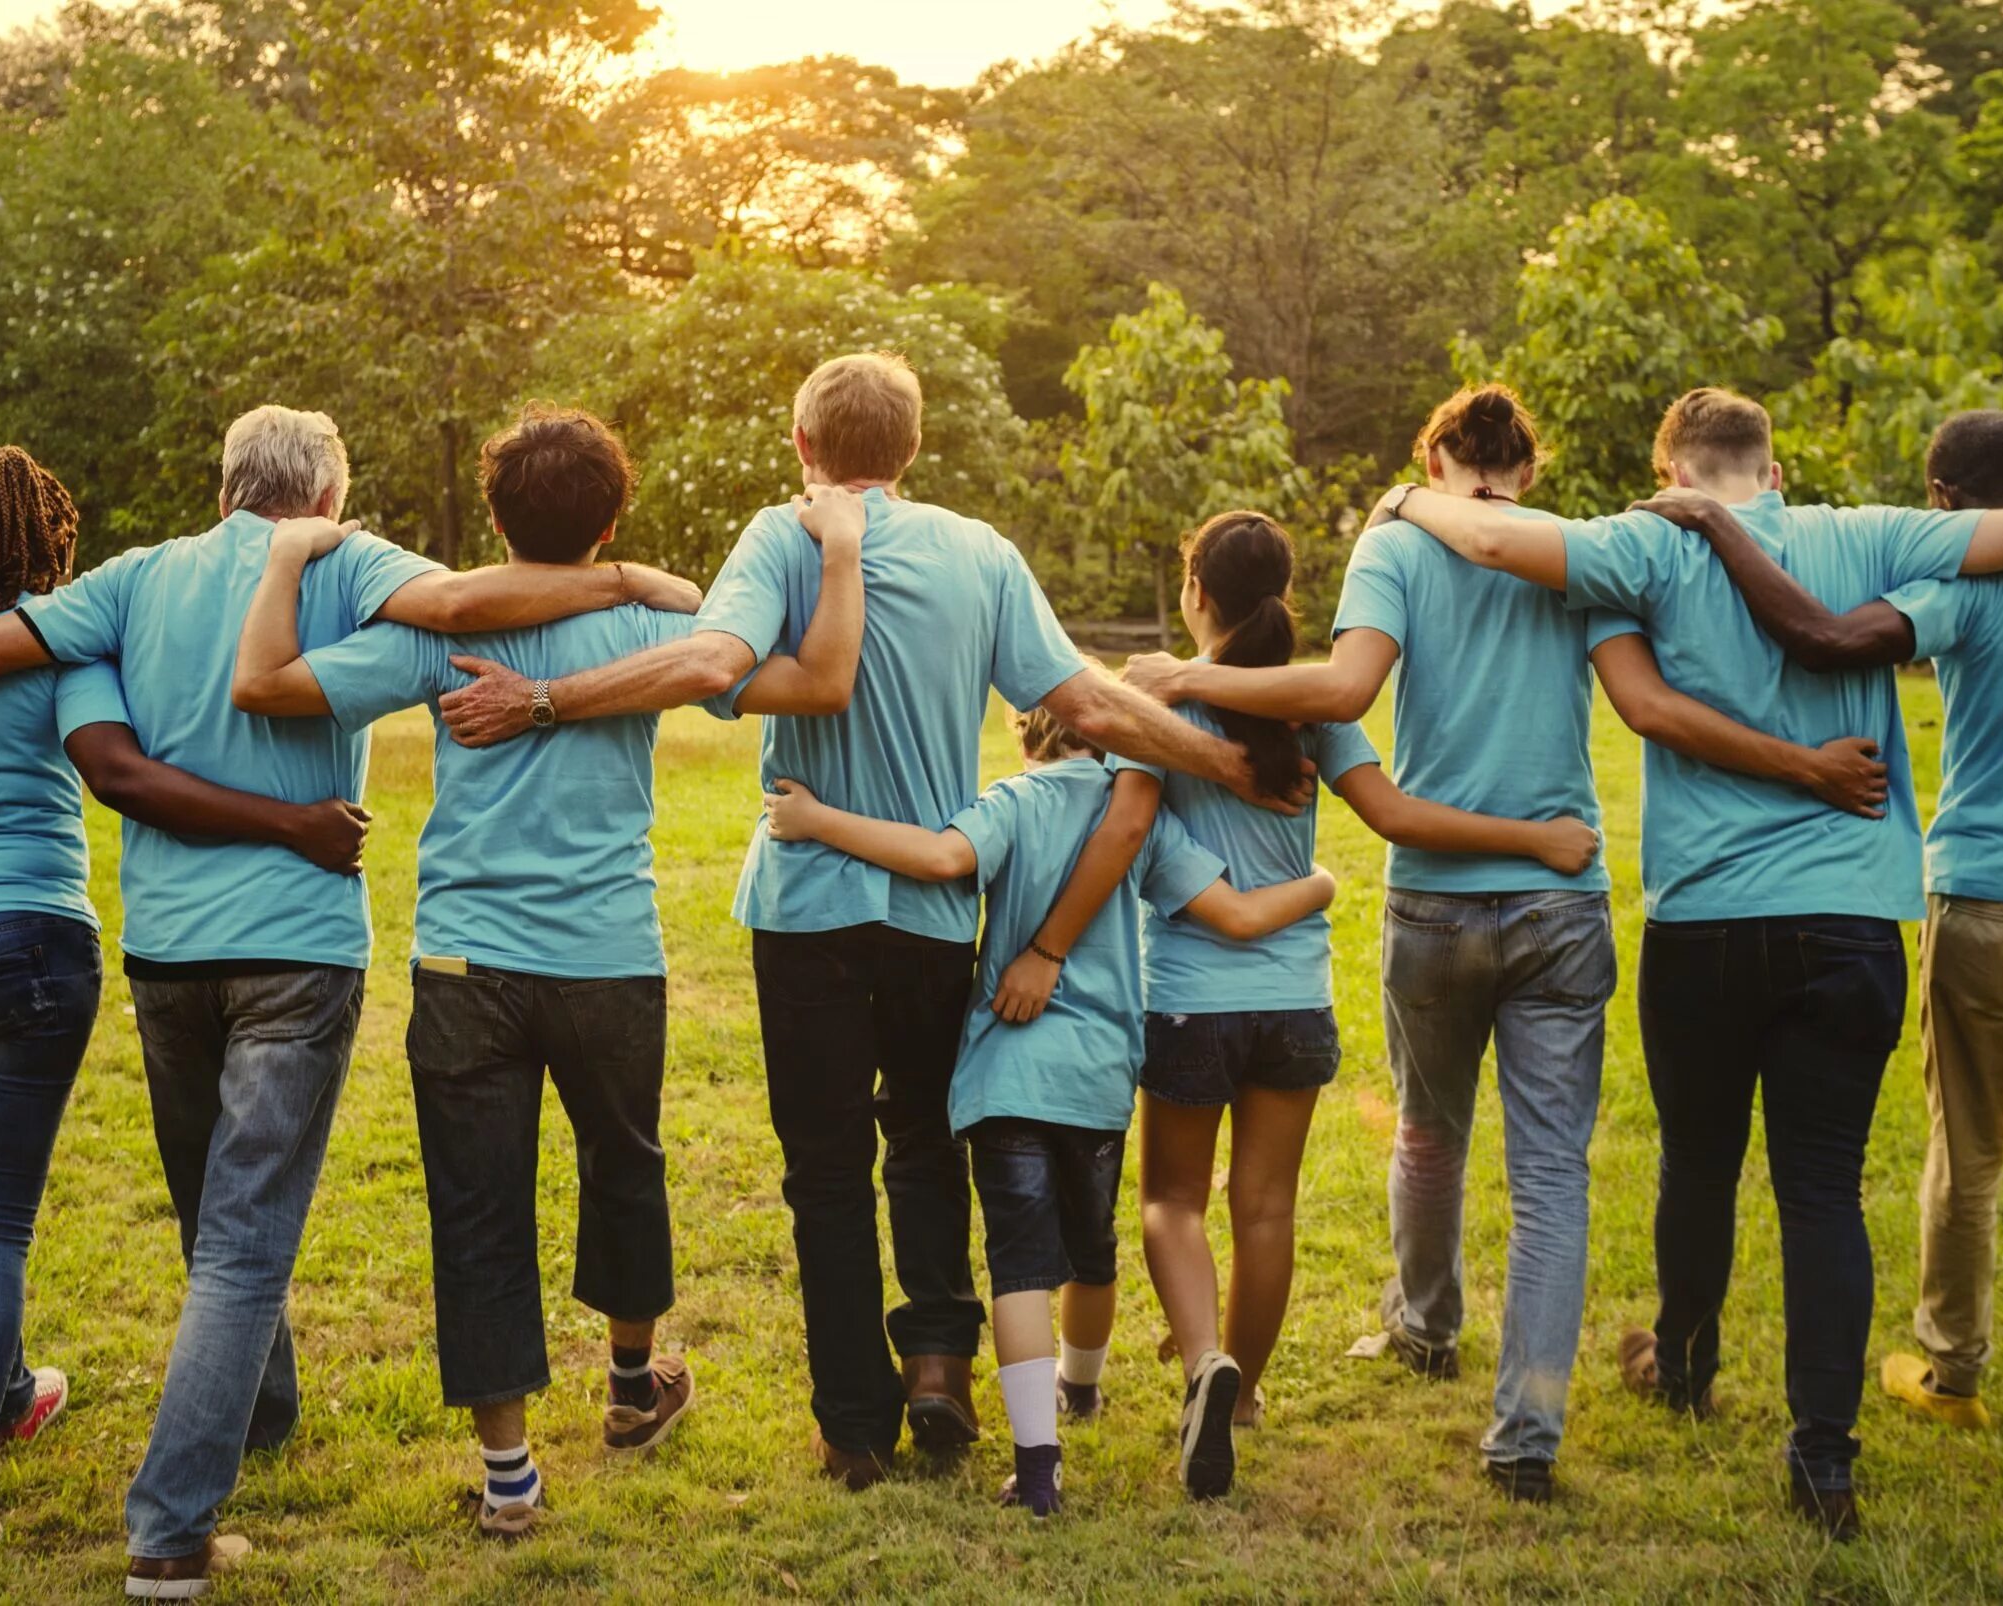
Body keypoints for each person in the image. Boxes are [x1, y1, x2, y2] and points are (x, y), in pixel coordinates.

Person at [0, 404, 703, 1596]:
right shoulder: (351, 561)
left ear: (226, 484)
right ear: (327, 496)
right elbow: (463, 609)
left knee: (210, 1220)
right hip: (297, 942)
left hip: (168, 951)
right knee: (243, 1245)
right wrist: (626, 581)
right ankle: (170, 1532)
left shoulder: (134, 579)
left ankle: (265, 1408)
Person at [434, 353, 1303, 1491]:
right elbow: (1082, 702)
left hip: (805, 904)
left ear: (803, 445)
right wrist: (1226, 764)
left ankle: (854, 1424)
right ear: (912, 448)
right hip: (938, 905)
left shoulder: (782, 535)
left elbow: (707, 658)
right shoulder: (979, 551)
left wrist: (541, 698)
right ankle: (939, 1359)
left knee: (827, 1171)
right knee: (928, 1144)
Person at [1121, 388, 1889, 1503]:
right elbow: (1639, 701)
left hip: (1432, 900)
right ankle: (1525, 1431)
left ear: (1431, 458)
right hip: (1558, 901)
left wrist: (1182, 677)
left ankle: (1426, 1323)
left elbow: (1341, 691)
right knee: (1549, 1174)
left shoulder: (1394, 547)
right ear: (1528, 472)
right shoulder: (1570, 556)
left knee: (1429, 1135)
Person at [1385, 386, 2003, 1536]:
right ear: (1770, 473)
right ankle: (1822, 1457)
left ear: (1669, 472)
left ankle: (1682, 1362)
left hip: (1709, 919)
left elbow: (1485, 534)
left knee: (1697, 1160)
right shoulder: (1866, 533)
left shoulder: (1650, 542)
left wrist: (1400, 497)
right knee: (1821, 1187)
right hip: (1852, 921)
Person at [228, 405, 871, 1537]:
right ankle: (630, 1388)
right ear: (611, 513)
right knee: (625, 1167)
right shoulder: (652, 630)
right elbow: (780, 669)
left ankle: (510, 1474)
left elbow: (273, 683)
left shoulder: (443, 633)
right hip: (607, 955)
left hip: (465, 959)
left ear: (492, 516)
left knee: (478, 1205)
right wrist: (658, 584)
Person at [0, 444, 372, 1579]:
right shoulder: (70, 635)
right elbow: (116, 770)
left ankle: (8, 1392)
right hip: (22, 951)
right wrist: (290, 820)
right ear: (48, 535)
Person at [1632, 408, 2003, 1538]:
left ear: (1942, 503)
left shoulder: (1962, 594)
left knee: (1969, 1147)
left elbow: (1825, 637)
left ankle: (1951, 1371)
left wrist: (1708, 519)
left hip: (1985, 897)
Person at [1032, 505, 1602, 1500]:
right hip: (1294, 1001)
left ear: (1194, 591)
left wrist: (1046, 943)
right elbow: (1391, 813)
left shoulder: (1163, 698)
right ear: (1282, 598)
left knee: (1171, 1199)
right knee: (1266, 1206)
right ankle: (1240, 1393)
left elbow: (1124, 827)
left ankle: (1204, 1356)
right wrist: (1537, 838)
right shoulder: (1310, 711)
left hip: (1190, 1002)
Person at [761, 688, 1335, 1516]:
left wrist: (818, 822)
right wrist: (1318, 884)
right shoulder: (1139, 816)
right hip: (1099, 1081)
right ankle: (1083, 1386)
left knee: (1021, 1269)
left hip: (1006, 1078)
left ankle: (1038, 1471)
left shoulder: (1013, 801)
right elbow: (1237, 915)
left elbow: (940, 860)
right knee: (1090, 1253)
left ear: (1028, 734)